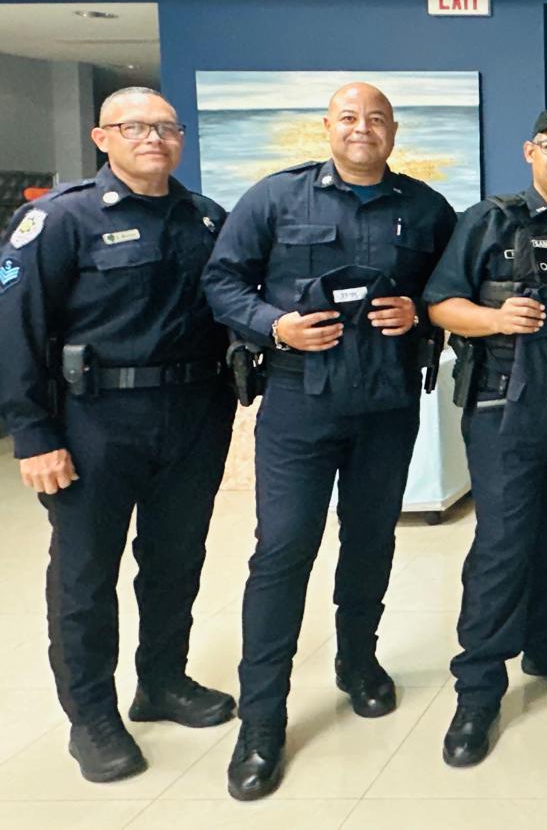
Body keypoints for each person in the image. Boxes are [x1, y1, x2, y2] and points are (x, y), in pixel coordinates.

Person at [203, 82, 456, 800]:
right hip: (298, 402)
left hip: (387, 403)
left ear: (393, 131)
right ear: (327, 127)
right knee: (283, 551)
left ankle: (358, 662)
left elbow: (453, 291)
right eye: (349, 117)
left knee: (371, 540)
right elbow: (221, 281)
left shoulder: (425, 208)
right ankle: (262, 719)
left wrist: (421, 314)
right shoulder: (275, 199)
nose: (362, 128)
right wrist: (275, 325)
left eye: (376, 119)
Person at [0, 87, 236, 783]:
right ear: (102, 138)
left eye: (166, 128)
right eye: (135, 127)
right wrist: (31, 432)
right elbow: (15, 328)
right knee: (85, 575)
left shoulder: (205, 217)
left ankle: (162, 681)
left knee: (176, 561)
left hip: (192, 416)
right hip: (94, 421)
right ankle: (92, 718)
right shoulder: (58, 219)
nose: (153, 138)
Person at [422, 106, 547, 767]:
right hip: (501, 413)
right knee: (503, 546)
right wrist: (494, 318)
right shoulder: (488, 221)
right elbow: (440, 304)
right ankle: (478, 689)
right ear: (529, 152)